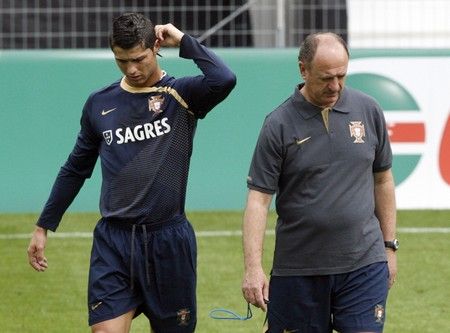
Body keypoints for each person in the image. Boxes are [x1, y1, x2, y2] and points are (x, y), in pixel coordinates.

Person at [27, 12, 236, 333]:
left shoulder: (181, 95)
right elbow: (76, 168)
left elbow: (223, 78)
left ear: (156, 46)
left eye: (138, 59)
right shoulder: (100, 103)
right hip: (115, 242)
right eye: (121, 61)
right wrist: (44, 225)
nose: (132, 69)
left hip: (169, 241)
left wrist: (182, 40)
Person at [241, 32, 397, 333]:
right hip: (299, 269)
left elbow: (383, 179)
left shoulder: (368, 110)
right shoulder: (278, 124)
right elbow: (258, 200)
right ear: (303, 70)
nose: (335, 86)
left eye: (342, 76)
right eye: (326, 78)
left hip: (364, 264)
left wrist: (389, 247)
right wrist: (253, 268)